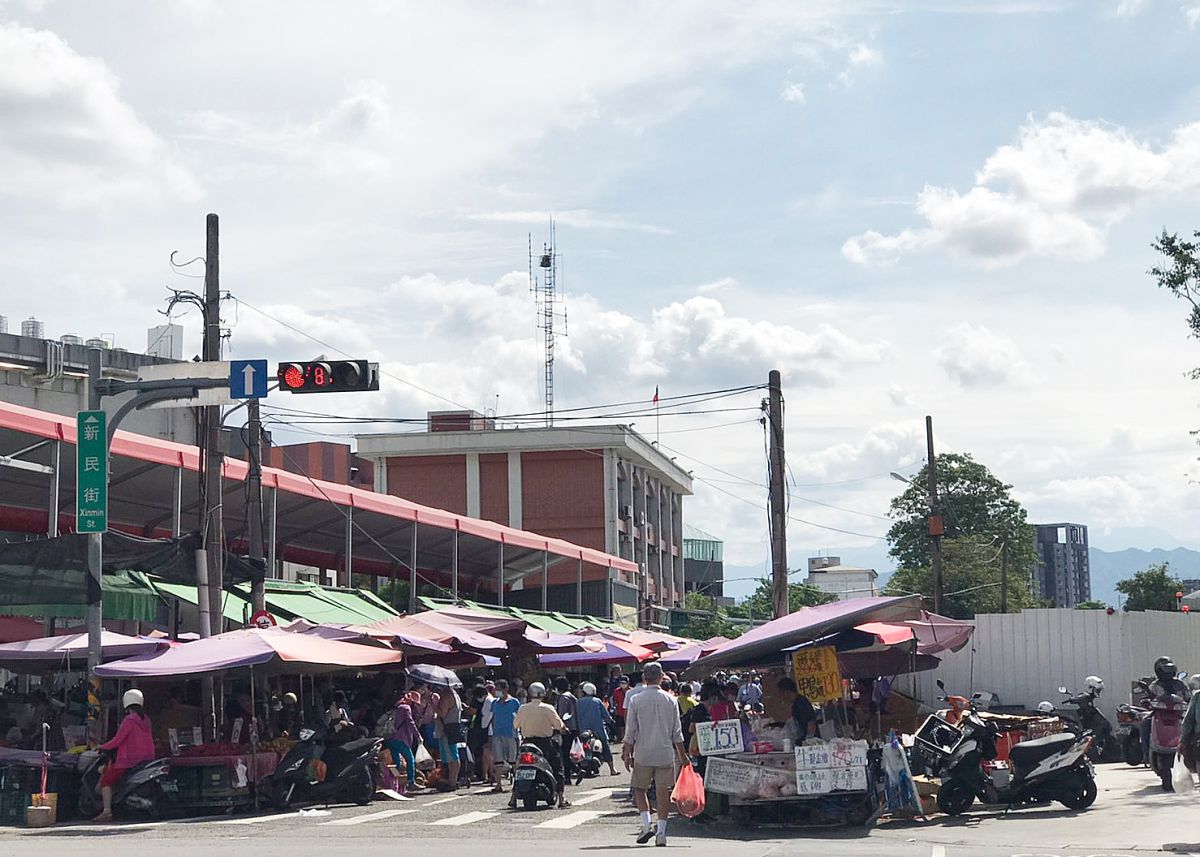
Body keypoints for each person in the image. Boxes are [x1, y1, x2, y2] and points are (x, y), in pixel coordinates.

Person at [623, 663, 689, 847]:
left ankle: (646, 825)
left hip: (643, 752)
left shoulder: (636, 700)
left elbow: (631, 731)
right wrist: (683, 757)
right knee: (663, 792)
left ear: (644, 678)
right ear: (661, 678)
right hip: (665, 752)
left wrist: (626, 752)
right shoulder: (671, 700)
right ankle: (661, 832)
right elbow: (677, 732)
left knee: (639, 789)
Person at [94, 689, 155, 822]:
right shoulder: (146, 720)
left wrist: (102, 747)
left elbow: (117, 740)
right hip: (146, 759)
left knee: (106, 781)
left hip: (128, 760)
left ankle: (107, 811)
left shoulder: (129, 720)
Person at [512, 681, 570, 808]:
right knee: (558, 768)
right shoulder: (548, 708)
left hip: (527, 743)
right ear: (543, 694)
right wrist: (563, 729)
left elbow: (515, 725)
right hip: (545, 744)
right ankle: (561, 798)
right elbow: (559, 725)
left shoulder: (523, 708)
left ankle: (513, 797)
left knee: (519, 767)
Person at [577, 682, 619, 776]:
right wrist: (611, 722)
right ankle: (612, 769)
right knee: (605, 747)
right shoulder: (597, 701)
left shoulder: (578, 702)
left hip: (583, 730)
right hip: (598, 730)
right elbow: (606, 716)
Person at [487, 679, 521, 793]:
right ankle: (498, 785)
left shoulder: (514, 702)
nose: (497, 692)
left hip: (511, 735)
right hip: (497, 734)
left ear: (506, 689)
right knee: (498, 760)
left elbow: (519, 718)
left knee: (513, 761)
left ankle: (517, 784)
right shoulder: (494, 703)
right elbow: (492, 718)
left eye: (499, 689)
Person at [385, 691, 421, 792]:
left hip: (391, 738)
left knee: (397, 764)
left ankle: (393, 782)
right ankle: (411, 782)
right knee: (410, 761)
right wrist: (418, 736)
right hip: (401, 739)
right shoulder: (406, 708)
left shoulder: (396, 707)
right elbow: (410, 723)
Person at [435, 683, 464, 791]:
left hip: (446, 728)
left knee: (452, 756)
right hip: (453, 726)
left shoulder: (446, 695)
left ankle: (452, 782)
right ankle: (453, 780)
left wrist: (433, 705)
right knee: (453, 754)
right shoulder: (455, 694)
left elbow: (442, 714)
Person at [612, 675, 630, 739]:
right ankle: (622, 739)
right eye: (621, 683)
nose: (622, 684)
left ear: (628, 683)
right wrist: (614, 708)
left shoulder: (631, 691)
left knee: (628, 726)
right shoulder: (616, 691)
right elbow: (614, 700)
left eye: (624, 683)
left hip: (629, 712)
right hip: (620, 712)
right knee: (621, 727)